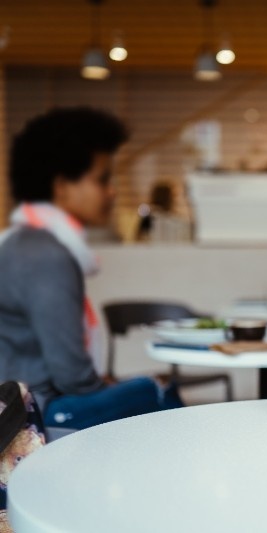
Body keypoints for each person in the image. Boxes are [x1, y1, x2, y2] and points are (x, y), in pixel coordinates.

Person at [0, 107, 183, 430]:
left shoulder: (22, 241)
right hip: (37, 416)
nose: (112, 191)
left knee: (135, 388)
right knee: (155, 389)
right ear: (62, 186)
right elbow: (71, 376)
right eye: (102, 179)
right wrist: (108, 387)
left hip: (25, 403)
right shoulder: (46, 256)